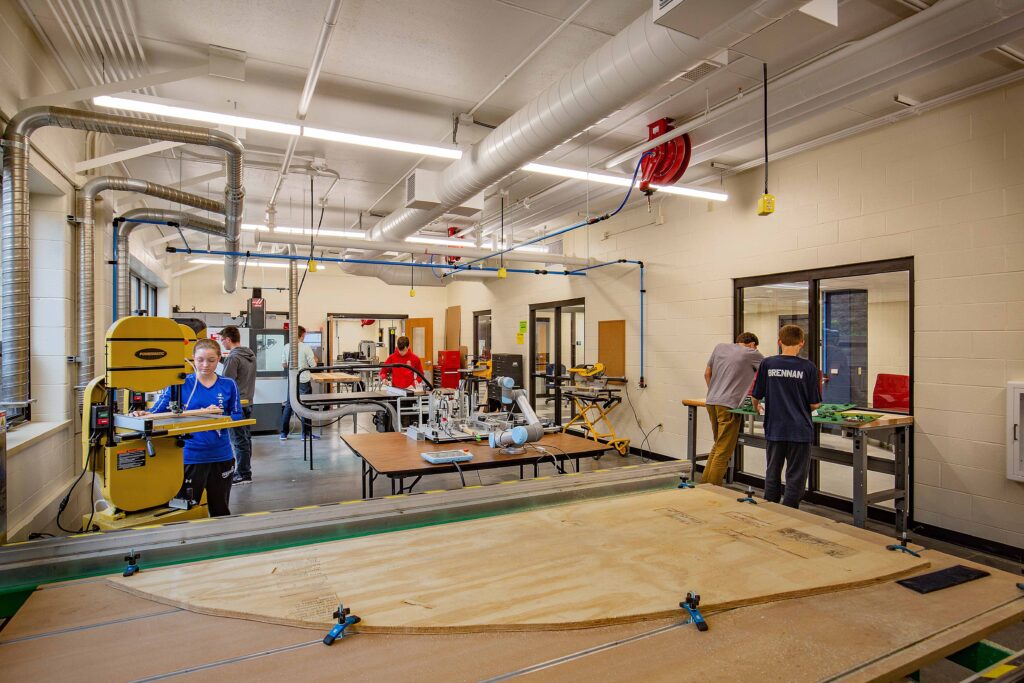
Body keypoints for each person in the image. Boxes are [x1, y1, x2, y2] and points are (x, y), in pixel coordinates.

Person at [134, 338, 243, 517]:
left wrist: (220, 415)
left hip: (221, 456)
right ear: (192, 359)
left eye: (211, 360)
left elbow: (237, 416)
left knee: (220, 509)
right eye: (200, 360)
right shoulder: (180, 385)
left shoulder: (228, 384)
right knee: (185, 510)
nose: (205, 365)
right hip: (190, 457)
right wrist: (142, 414)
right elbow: (157, 411)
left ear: (219, 359)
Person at [750, 325, 822, 508]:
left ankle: (770, 509)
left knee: (772, 471)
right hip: (800, 430)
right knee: (796, 475)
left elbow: (755, 396)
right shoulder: (808, 367)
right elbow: (814, 404)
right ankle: (790, 511)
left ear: (779, 342)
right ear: (802, 343)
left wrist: (758, 407)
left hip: (775, 428)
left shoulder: (768, 363)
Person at [702, 332, 763, 485]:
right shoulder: (752, 353)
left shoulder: (720, 347)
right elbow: (770, 371)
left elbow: (707, 374)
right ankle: (712, 492)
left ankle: (703, 486)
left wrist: (716, 392)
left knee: (718, 445)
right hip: (728, 406)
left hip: (711, 401)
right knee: (723, 451)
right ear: (752, 345)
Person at [220, 326, 256, 485]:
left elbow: (226, 383)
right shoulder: (249, 353)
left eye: (222, 340)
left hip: (236, 405)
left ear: (228, 339)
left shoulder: (233, 358)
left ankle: (243, 473)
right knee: (245, 438)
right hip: (248, 401)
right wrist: (220, 359)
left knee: (238, 440)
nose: (222, 343)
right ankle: (245, 469)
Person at [280, 325, 318, 441]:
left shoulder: (287, 347)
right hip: (303, 381)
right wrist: (315, 359)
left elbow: (284, 364)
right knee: (305, 406)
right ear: (302, 334)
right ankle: (305, 434)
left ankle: (283, 433)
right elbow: (313, 365)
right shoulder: (306, 347)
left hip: (292, 380)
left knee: (289, 405)